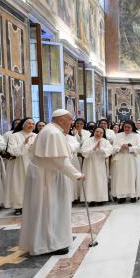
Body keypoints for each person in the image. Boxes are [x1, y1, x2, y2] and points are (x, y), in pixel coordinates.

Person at [19, 109, 85, 256]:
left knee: (50, 209)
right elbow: (59, 160)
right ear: (61, 120)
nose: (71, 123)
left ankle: (51, 241)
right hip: (47, 178)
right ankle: (50, 244)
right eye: (70, 120)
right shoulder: (53, 133)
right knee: (50, 210)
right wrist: (77, 175)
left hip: (47, 174)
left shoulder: (50, 130)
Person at [5, 118, 37, 215]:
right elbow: (13, 151)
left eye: (32, 123)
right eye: (28, 123)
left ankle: (34, 205)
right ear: (23, 124)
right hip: (18, 164)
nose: (31, 125)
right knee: (19, 184)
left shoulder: (37, 136)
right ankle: (19, 206)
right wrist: (24, 144)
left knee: (34, 185)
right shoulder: (14, 136)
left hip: (33, 163)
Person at [111, 121, 140, 203]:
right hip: (121, 159)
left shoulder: (136, 136)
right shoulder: (118, 135)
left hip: (132, 159)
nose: (127, 129)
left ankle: (133, 195)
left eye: (129, 127)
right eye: (125, 127)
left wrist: (129, 148)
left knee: (132, 177)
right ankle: (122, 196)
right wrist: (120, 147)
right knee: (121, 178)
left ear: (132, 127)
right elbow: (113, 147)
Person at [81, 127, 113, 205]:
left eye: (101, 132)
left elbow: (109, 150)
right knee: (90, 181)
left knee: (100, 181)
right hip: (89, 165)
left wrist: (100, 148)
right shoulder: (88, 141)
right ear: (94, 132)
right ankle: (90, 200)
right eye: (97, 131)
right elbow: (83, 152)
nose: (98, 133)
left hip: (100, 164)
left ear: (103, 134)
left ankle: (101, 199)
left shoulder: (105, 141)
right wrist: (93, 148)